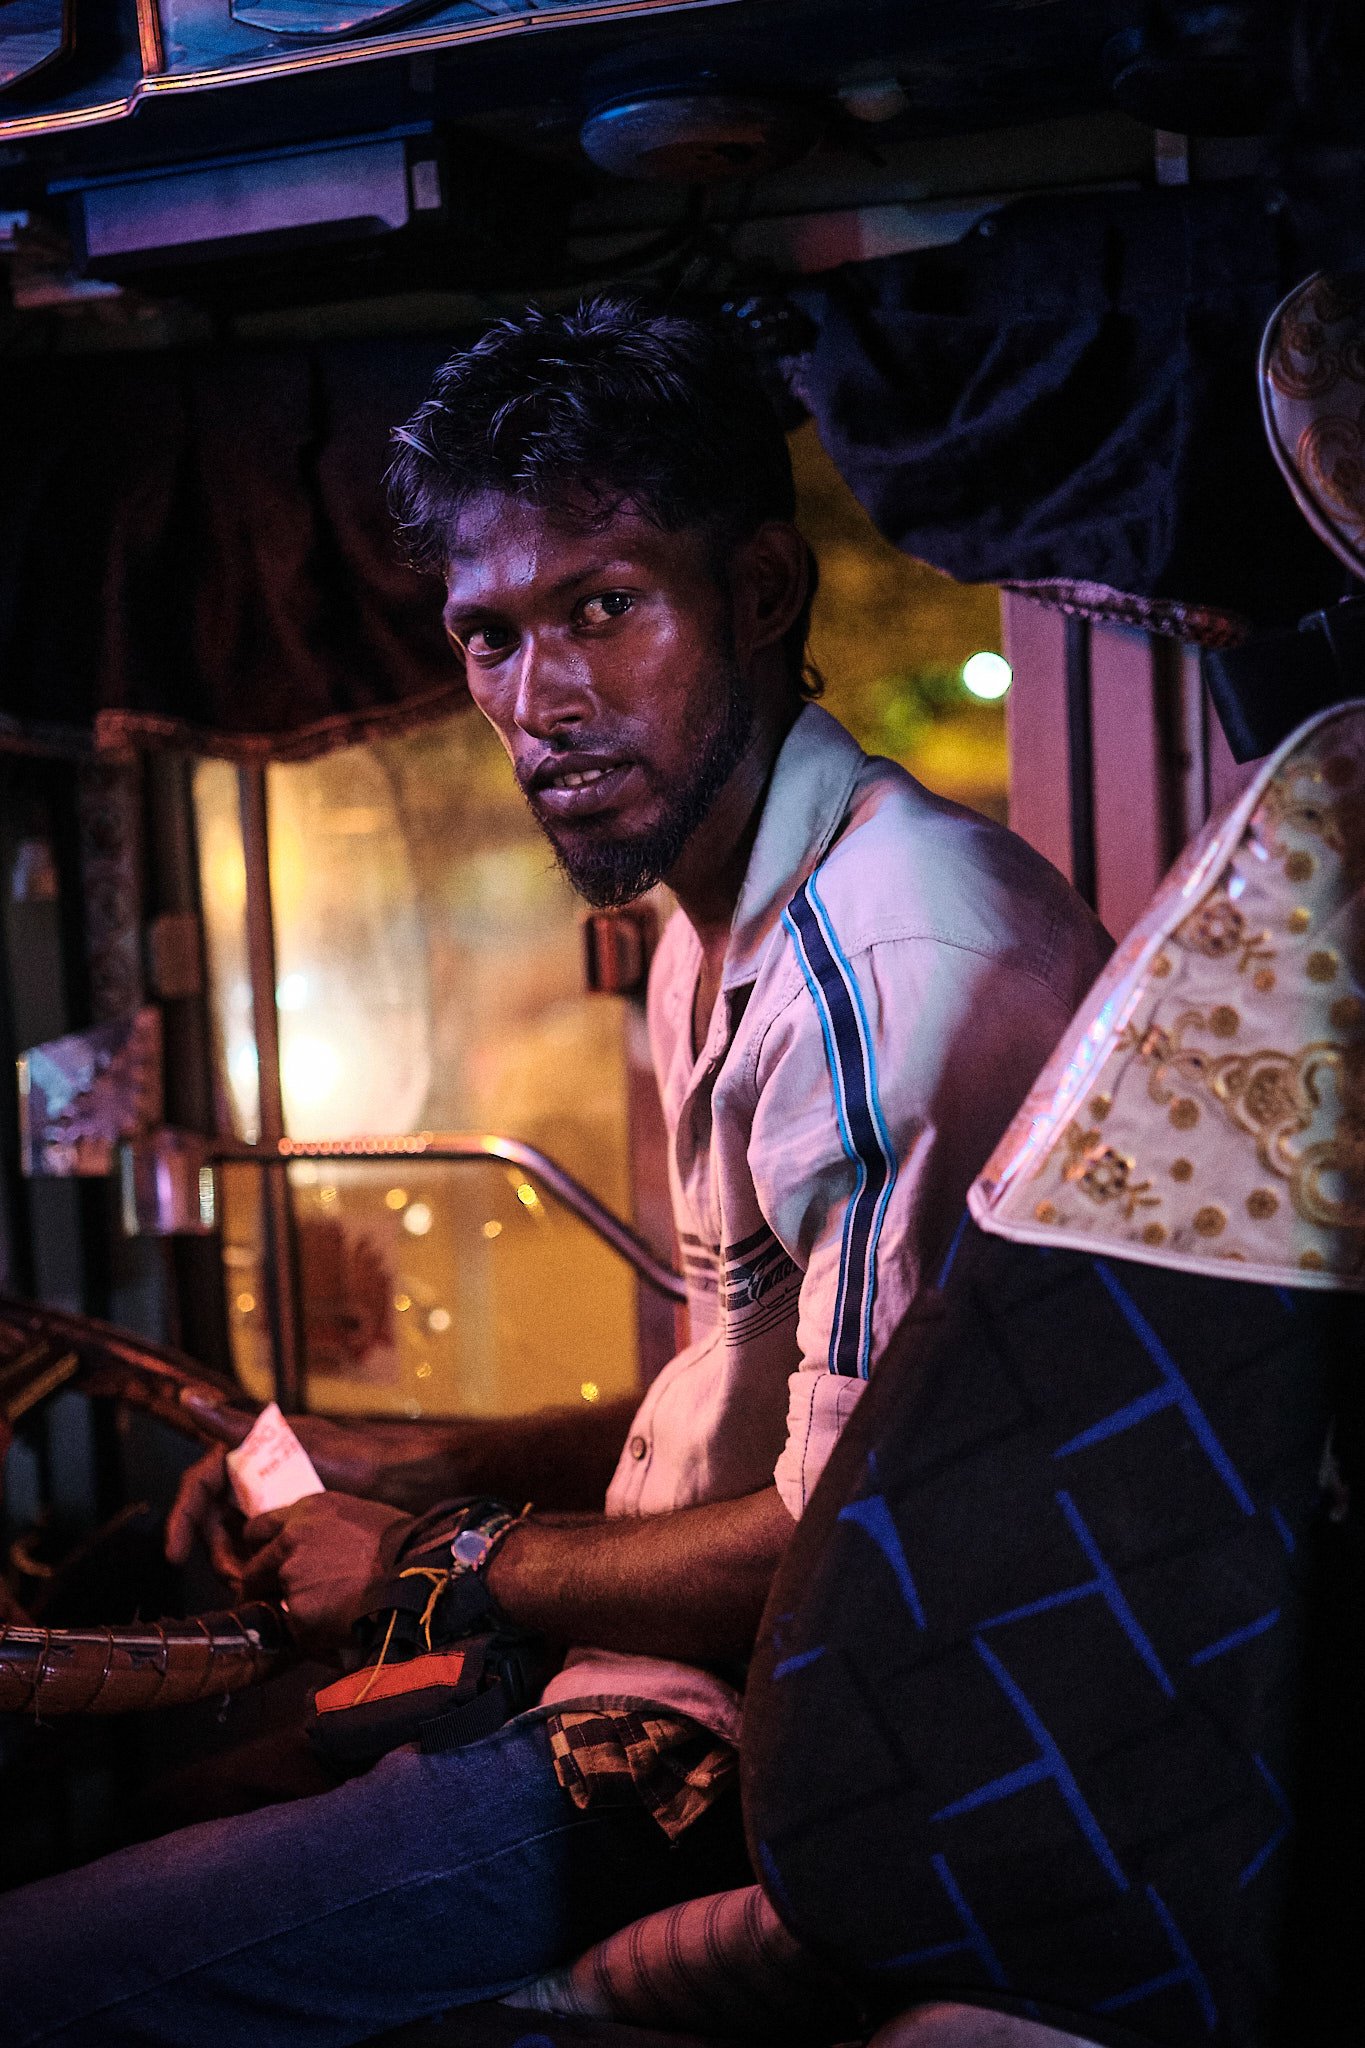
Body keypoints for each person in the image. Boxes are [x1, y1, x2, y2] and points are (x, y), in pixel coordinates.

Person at [0, 297, 1109, 2047]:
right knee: (155, 1803)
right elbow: (747, 1396)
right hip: (675, 1670)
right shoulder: (711, 930)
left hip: (773, 1745)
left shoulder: (886, 972)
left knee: (42, 1975)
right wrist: (423, 1461)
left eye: (603, 607)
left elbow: (858, 1545)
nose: (541, 703)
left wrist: (434, 1555)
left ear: (758, 592)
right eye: (489, 635)